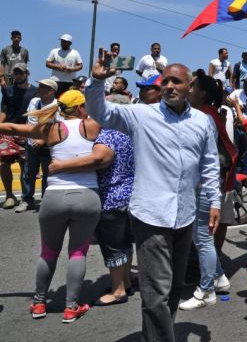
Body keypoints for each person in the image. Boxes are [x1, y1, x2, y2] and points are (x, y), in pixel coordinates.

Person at [87, 53, 222, 342]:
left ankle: (159, 334)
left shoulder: (202, 121)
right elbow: (101, 113)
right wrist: (97, 82)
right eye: (165, 81)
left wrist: (214, 201)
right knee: (155, 292)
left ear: (190, 86)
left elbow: (210, 164)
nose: (169, 86)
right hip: (150, 216)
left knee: (174, 286)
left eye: (176, 81)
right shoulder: (141, 114)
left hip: (184, 215)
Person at [0, 90, 101, 322]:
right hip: (88, 196)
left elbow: (14, 129)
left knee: (48, 253)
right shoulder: (94, 126)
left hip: (54, 196)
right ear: (79, 107)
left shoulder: (51, 129)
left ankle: (38, 304)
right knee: (77, 252)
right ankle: (71, 307)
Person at [48, 94, 135, 307]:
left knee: (112, 246)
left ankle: (118, 290)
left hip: (110, 197)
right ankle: (126, 281)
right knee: (123, 243)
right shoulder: (127, 132)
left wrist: (61, 166)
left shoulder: (106, 135)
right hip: (127, 195)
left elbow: (99, 159)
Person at [180, 70, 235, 310]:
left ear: (202, 92)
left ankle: (206, 290)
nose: (188, 89)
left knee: (202, 239)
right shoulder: (208, 113)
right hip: (204, 184)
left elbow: (205, 156)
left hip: (203, 184)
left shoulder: (204, 116)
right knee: (202, 238)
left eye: (192, 86)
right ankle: (220, 277)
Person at [16, 78, 58, 213]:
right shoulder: (35, 101)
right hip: (30, 145)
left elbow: (57, 128)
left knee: (47, 175)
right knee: (28, 173)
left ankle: (46, 202)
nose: (38, 88)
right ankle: (27, 199)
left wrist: (43, 140)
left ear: (51, 91)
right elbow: (30, 121)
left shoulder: (57, 106)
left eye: (41, 86)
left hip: (48, 147)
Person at [0, 63, 36, 209]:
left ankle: (25, 198)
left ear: (27, 73)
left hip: (26, 132)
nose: (18, 75)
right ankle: (9, 196)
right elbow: (3, 110)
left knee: (25, 167)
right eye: (15, 72)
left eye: (20, 72)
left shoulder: (35, 92)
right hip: (8, 131)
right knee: (3, 164)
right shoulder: (8, 91)